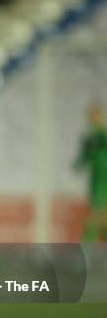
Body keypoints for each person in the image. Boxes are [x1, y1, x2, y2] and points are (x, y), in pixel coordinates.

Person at [74, 101, 107, 242]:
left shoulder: (103, 135)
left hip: (103, 178)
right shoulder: (89, 137)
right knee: (97, 212)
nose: (94, 118)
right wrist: (74, 171)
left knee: (101, 214)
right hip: (98, 180)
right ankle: (87, 246)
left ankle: (88, 246)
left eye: (96, 115)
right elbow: (84, 157)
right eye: (92, 115)